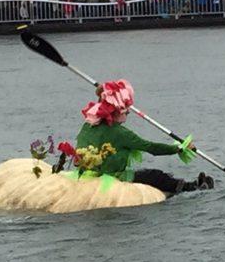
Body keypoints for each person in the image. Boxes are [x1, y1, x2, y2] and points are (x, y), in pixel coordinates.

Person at [74, 80, 214, 193]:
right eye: (125, 111)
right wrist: (179, 149)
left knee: (145, 174)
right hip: (112, 178)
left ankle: (190, 185)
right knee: (155, 176)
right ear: (116, 112)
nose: (128, 113)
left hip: (85, 175)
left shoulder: (88, 125)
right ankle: (192, 188)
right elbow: (151, 148)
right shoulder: (120, 133)